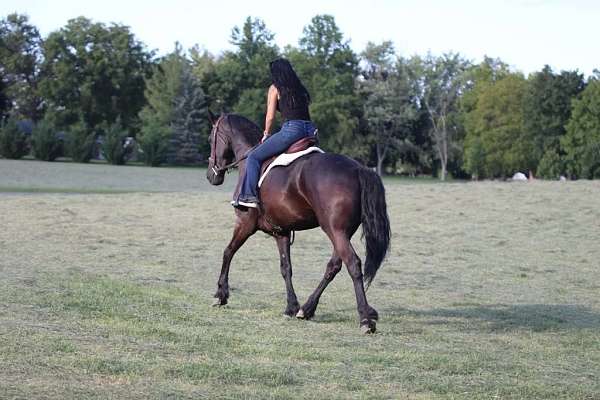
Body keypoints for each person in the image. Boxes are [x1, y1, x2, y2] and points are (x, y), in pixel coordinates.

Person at [233, 58, 317, 209]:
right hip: (311, 130)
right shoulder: (300, 89)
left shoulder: (275, 88)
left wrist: (266, 133)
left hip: (292, 129)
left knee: (253, 157)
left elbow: (270, 116)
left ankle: (248, 195)